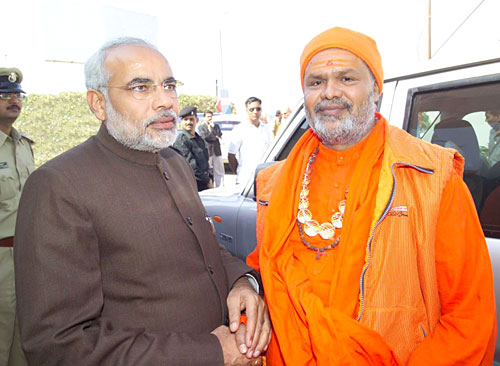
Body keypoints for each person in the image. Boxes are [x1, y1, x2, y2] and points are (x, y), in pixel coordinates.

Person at [247, 27, 497, 365]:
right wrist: (243, 285)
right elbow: (263, 277)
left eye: (347, 78)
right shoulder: (274, 184)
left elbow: (469, 315)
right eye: (316, 82)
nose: (329, 93)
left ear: (375, 89)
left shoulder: (431, 177)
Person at [14, 37, 271, 365]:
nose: (166, 102)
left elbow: (205, 248)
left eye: (169, 85)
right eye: (141, 87)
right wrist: (212, 352)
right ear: (98, 103)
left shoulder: (174, 163)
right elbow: (59, 345)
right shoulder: (59, 186)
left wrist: (242, 282)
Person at [0, 68, 31, 366]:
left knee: (23, 344)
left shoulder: (24, 146)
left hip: (25, 258)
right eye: (5, 95)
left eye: (17, 95)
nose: (14, 100)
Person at [228, 97, 272, 184]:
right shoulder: (240, 129)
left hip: (264, 180)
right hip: (245, 180)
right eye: (252, 109)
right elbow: (231, 155)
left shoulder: (266, 129)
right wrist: (239, 173)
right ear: (247, 111)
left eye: (258, 109)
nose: (255, 112)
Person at [173, 105, 212, 191]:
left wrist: (210, 177)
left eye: (191, 119)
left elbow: (205, 162)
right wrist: (207, 180)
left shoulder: (199, 139)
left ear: (196, 120)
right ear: (181, 121)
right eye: (185, 120)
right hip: (192, 186)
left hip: (204, 184)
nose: (189, 122)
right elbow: (192, 166)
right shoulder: (182, 140)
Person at [199, 110, 224, 187]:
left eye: (211, 116)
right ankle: (210, 186)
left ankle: (220, 187)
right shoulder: (201, 127)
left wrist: (213, 129)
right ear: (204, 117)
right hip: (208, 151)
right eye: (208, 116)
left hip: (217, 151)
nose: (210, 118)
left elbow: (219, 134)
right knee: (209, 170)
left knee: (219, 170)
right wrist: (215, 137)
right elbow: (205, 137)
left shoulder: (216, 126)